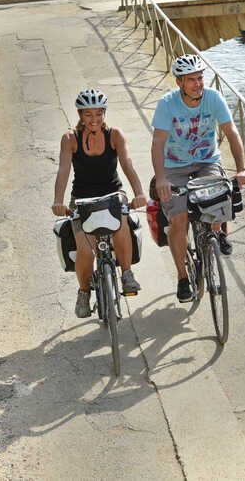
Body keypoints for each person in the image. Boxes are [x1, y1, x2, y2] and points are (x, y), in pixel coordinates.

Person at [151, 54, 245, 303]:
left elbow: (231, 131)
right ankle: (183, 277)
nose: (198, 83)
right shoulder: (167, 104)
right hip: (175, 167)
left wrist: (242, 168)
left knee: (218, 202)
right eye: (191, 80)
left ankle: (216, 233)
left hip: (207, 161)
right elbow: (158, 142)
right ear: (180, 83)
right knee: (178, 220)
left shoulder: (213, 98)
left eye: (200, 77)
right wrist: (161, 178)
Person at [52, 89, 147, 318]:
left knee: (121, 226)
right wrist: (58, 201)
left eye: (99, 113)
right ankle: (84, 292)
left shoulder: (114, 135)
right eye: (88, 114)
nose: (94, 119)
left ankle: (127, 274)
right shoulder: (70, 138)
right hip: (82, 198)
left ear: (104, 113)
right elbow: (64, 170)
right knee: (85, 250)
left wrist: (139, 193)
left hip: (113, 192)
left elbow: (127, 164)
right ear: (80, 115)